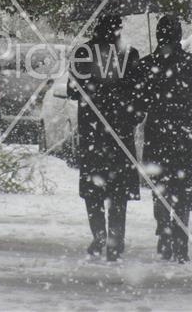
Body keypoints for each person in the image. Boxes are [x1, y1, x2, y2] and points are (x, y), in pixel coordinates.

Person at [67, 15, 140, 261]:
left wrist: (93, 88)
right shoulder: (130, 54)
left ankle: (99, 235)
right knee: (118, 191)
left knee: (93, 189)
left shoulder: (84, 52)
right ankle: (115, 241)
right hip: (120, 131)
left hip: (93, 132)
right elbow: (137, 91)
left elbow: (72, 89)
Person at [134, 15, 192, 263]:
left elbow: (141, 103)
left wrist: (158, 95)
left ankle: (164, 233)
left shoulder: (146, 65)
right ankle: (180, 242)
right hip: (183, 134)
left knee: (160, 187)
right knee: (182, 191)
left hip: (158, 134)